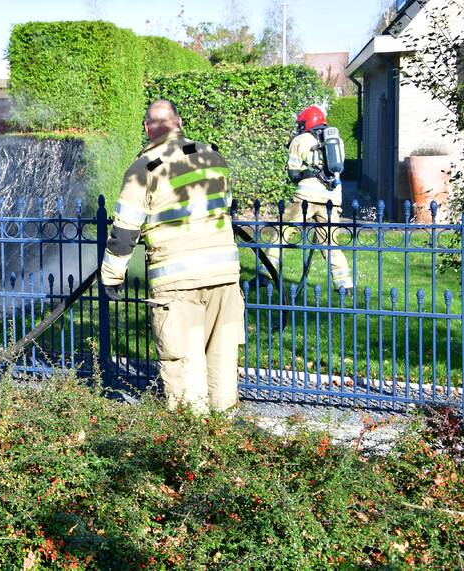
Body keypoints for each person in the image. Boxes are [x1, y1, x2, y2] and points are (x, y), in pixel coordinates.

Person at [100, 99, 243, 414]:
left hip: (178, 285)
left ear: (148, 128)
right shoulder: (212, 155)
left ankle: (190, 447)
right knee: (222, 358)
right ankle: (224, 441)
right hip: (225, 278)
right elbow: (225, 206)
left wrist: (111, 276)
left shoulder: (145, 167)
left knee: (183, 366)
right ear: (178, 122)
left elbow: (125, 231)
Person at [261, 105, 352, 290]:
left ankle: (265, 275)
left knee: (281, 232)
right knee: (330, 243)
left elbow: (293, 174)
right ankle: (345, 286)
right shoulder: (338, 141)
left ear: (307, 122)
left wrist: (304, 172)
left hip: (306, 198)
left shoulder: (300, 140)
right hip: (332, 199)